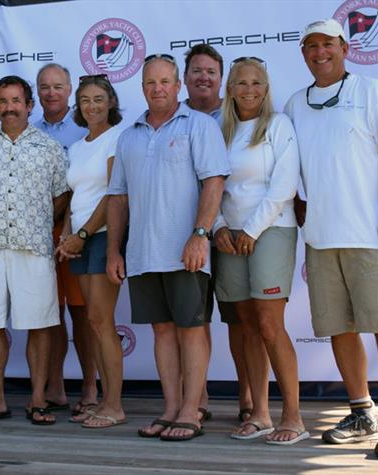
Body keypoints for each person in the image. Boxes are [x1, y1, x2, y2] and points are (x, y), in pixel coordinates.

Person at [285, 19, 378, 458]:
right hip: (320, 239)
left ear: (344, 47)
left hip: (368, 233)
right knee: (339, 329)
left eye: (327, 44)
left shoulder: (371, 91)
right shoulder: (294, 104)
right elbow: (291, 167)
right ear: (303, 53)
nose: (319, 52)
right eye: (311, 45)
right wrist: (299, 206)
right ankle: (362, 411)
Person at [107, 54, 228, 441]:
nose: (157, 89)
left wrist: (200, 234)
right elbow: (118, 198)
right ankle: (172, 408)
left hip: (186, 250)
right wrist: (114, 251)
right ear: (141, 87)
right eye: (149, 83)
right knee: (162, 331)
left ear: (178, 86)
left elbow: (214, 183)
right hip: (143, 253)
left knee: (191, 330)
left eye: (164, 82)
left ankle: (192, 410)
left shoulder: (201, 126)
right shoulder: (129, 136)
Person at [0, 75, 68, 425]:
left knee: (39, 325)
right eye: (3, 102)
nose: (9, 108)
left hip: (33, 247)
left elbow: (61, 196)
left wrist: (29, 219)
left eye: (16, 101)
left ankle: (38, 400)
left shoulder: (49, 148)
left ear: (29, 105)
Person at [213, 57, 307, 444]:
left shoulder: (279, 125)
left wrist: (251, 230)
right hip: (229, 236)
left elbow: (284, 186)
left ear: (266, 89)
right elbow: (209, 183)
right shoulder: (219, 130)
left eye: (256, 83)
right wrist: (218, 226)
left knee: (269, 325)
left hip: (270, 230)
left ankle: (294, 417)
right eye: (241, 83)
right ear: (230, 89)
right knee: (247, 325)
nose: (249, 90)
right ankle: (261, 414)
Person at [183, 44, 252, 423]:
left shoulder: (236, 117)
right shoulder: (173, 117)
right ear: (185, 77)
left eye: (210, 71)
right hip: (183, 235)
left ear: (221, 79)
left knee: (239, 319)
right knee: (192, 320)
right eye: (196, 70)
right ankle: (199, 398)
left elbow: (235, 182)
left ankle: (246, 397)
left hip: (225, 234)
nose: (203, 77)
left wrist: (218, 225)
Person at [55, 74, 125, 428]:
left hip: (102, 238)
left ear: (111, 102)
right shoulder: (78, 145)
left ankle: (114, 404)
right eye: (85, 100)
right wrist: (68, 233)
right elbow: (75, 197)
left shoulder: (117, 138)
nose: (92, 106)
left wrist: (82, 234)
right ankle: (102, 400)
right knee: (91, 322)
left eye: (98, 99)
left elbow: (113, 194)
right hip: (80, 239)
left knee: (101, 321)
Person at [33, 63, 97, 414]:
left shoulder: (85, 129)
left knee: (83, 313)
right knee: (49, 312)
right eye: (45, 87)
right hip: (41, 234)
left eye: (58, 86)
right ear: (37, 92)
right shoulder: (28, 131)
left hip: (78, 233)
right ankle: (55, 386)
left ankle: (89, 387)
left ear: (70, 89)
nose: (52, 92)